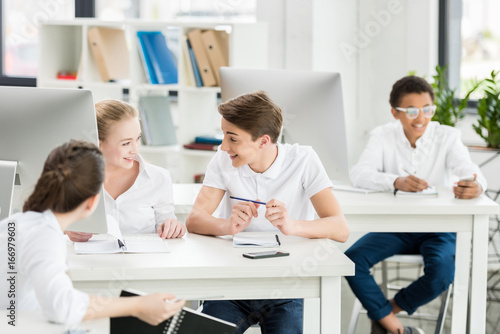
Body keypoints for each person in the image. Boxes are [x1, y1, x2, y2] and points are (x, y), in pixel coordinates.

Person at [185, 90, 349, 334]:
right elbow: (194, 219)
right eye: (223, 136)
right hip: (232, 285)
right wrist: (227, 226)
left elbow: (340, 228)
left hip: (285, 287)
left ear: (263, 141)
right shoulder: (223, 161)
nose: (223, 147)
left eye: (232, 139)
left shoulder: (303, 160)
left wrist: (292, 226)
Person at [346, 75, 487, 334]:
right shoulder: (382, 135)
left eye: (427, 110)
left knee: (442, 273)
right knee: (352, 260)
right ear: (395, 113)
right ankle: (395, 327)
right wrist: (395, 181)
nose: (420, 118)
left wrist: (477, 185)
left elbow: (469, 170)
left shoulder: (448, 136)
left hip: (439, 228)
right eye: (411, 111)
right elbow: (359, 174)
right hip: (396, 227)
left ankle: (386, 313)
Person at [0, 140, 185, 326]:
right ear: (93, 202)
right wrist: (137, 305)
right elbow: (61, 307)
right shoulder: (44, 236)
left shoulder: (23, 223)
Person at [66, 99, 186, 242]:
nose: (135, 149)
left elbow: (166, 225)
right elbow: (51, 223)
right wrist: (67, 230)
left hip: (142, 262)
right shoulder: (71, 179)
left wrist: (173, 227)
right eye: (126, 143)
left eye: (138, 138)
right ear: (98, 143)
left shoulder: (158, 178)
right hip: (92, 263)